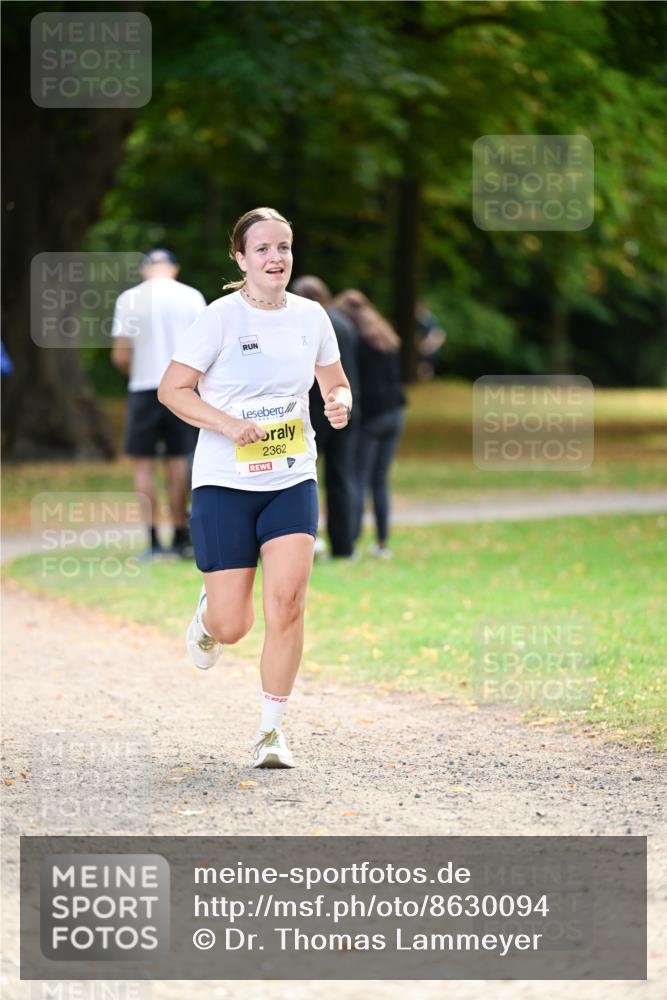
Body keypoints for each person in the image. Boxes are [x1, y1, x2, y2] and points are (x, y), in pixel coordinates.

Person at [157, 207, 352, 769]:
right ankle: (208, 617)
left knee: (288, 604)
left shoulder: (312, 316)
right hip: (224, 481)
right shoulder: (219, 318)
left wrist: (339, 404)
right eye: (263, 249)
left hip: (291, 475)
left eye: (284, 247)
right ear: (241, 259)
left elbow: (336, 385)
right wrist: (228, 424)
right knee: (233, 625)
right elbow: (173, 390)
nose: (276, 258)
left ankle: (271, 732)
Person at [111, 248, 206, 559]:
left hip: (144, 388)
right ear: (174, 268)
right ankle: (181, 535)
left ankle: (153, 541)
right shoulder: (192, 297)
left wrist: (135, 368)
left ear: (144, 270)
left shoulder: (129, 299)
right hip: (182, 388)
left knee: (144, 465)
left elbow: (121, 354)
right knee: (180, 460)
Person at [291, 275, 360, 559]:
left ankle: (305, 542)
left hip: (315, 410)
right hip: (345, 408)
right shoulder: (345, 323)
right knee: (342, 479)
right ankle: (344, 545)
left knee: (303, 476)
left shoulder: (305, 324)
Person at [334, 289, 406, 559]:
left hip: (372, 418)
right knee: (380, 481)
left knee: (357, 479)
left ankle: (350, 539)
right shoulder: (384, 334)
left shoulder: (355, 339)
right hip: (395, 413)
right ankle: (382, 541)